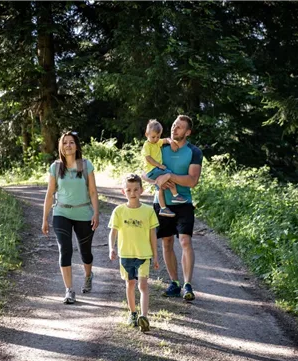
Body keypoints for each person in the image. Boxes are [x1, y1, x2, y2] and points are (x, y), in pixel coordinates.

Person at [42, 131, 99, 304]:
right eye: (65, 143)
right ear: (61, 146)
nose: (68, 145)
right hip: (61, 213)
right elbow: (50, 193)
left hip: (83, 213)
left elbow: (93, 191)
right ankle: (69, 290)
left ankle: (88, 275)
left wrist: (96, 212)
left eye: (71, 142)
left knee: (85, 252)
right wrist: (44, 218)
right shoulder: (56, 167)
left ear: (76, 146)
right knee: (65, 249)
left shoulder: (86, 165)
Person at [153, 115, 203, 301]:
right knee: (166, 243)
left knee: (185, 241)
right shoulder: (160, 147)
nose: (175, 129)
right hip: (161, 202)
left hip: (183, 203)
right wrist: (158, 179)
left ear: (188, 132)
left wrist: (168, 176)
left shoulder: (194, 151)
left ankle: (187, 284)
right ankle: (174, 282)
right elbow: (147, 171)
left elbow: (192, 181)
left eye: (180, 127)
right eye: (174, 125)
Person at [108, 174, 159, 332]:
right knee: (130, 284)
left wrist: (156, 256)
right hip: (126, 254)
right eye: (129, 190)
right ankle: (133, 313)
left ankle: (144, 317)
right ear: (124, 192)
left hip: (143, 254)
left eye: (136, 189)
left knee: (143, 285)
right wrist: (112, 247)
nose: (133, 193)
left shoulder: (148, 211)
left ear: (141, 190)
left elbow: (152, 235)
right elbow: (113, 232)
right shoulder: (119, 211)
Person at [141, 119, 188, 218]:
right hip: (153, 170)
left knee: (160, 188)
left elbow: (166, 139)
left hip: (155, 170)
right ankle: (175, 196)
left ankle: (163, 208)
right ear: (146, 134)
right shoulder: (147, 145)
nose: (156, 139)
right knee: (170, 174)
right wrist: (159, 165)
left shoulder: (157, 142)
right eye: (153, 137)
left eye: (158, 136)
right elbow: (148, 158)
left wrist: (171, 142)